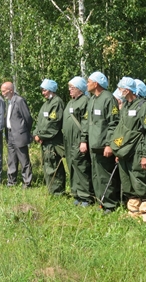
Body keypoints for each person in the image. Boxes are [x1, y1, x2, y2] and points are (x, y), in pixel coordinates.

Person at [111, 77, 146, 222]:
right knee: (127, 181)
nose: (119, 92)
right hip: (125, 151)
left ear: (127, 90)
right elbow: (121, 130)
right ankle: (133, 210)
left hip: (139, 150)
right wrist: (118, 150)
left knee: (140, 179)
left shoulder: (144, 107)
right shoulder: (126, 106)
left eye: (120, 89)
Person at [82, 71, 120, 214]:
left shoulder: (108, 99)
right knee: (96, 175)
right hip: (93, 145)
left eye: (89, 81)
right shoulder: (91, 99)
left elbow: (114, 123)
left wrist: (110, 144)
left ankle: (110, 204)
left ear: (96, 83)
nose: (87, 84)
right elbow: (86, 121)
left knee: (105, 175)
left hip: (103, 145)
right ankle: (101, 201)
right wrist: (83, 140)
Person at [63, 77, 94, 207]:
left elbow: (86, 123)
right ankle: (76, 193)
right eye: (69, 87)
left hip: (78, 140)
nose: (70, 90)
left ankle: (86, 196)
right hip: (69, 141)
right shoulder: (71, 102)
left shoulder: (85, 101)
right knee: (72, 166)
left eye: (73, 88)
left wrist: (83, 140)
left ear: (80, 89)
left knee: (82, 167)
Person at [33, 79, 66, 195]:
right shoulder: (46, 104)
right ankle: (51, 190)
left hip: (53, 142)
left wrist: (41, 135)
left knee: (53, 165)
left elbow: (53, 124)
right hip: (45, 142)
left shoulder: (57, 103)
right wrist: (36, 134)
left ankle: (57, 192)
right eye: (42, 90)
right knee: (47, 166)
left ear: (51, 90)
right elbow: (40, 122)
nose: (43, 93)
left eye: (45, 90)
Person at [1, 82, 33, 188]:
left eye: (4, 91)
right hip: (10, 134)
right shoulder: (9, 102)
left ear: (10, 90)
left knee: (24, 160)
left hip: (19, 134)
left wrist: (24, 131)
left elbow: (27, 118)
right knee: (11, 159)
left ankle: (27, 183)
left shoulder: (19, 100)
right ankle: (11, 182)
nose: (2, 93)